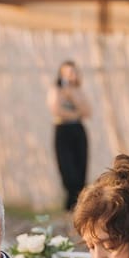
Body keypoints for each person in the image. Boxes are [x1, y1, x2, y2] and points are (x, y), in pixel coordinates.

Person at [47, 60, 91, 210]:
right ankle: (70, 205)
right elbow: (56, 110)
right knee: (67, 170)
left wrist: (72, 96)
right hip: (62, 130)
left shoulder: (78, 90)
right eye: (67, 72)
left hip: (78, 130)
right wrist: (76, 113)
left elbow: (87, 112)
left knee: (81, 170)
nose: (70, 75)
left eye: (73, 72)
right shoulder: (55, 90)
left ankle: (79, 207)